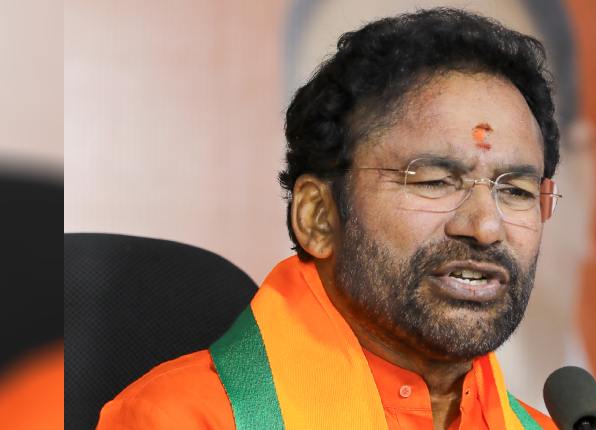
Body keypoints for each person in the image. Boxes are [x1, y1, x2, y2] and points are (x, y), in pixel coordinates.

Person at [98, 8, 562, 429]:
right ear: (318, 217)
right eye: (435, 181)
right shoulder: (182, 419)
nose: (485, 227)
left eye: (516, 191)